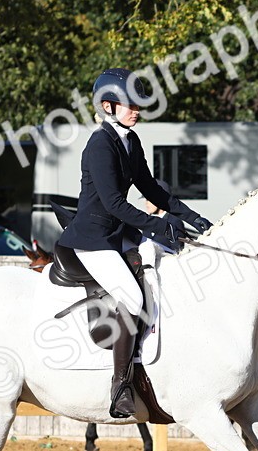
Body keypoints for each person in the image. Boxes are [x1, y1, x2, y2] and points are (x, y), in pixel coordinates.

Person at [56, 68, 213, 418]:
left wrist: (193, 218)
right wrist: (157, 225)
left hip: (118, 235)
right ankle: (120, 385)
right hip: (93, 240)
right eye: (130, 105)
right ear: (108, 107)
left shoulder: (130, 141)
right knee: (132, 295)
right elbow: (113, 203)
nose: (137, 110)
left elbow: (152, 190)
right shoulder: (100, 144)